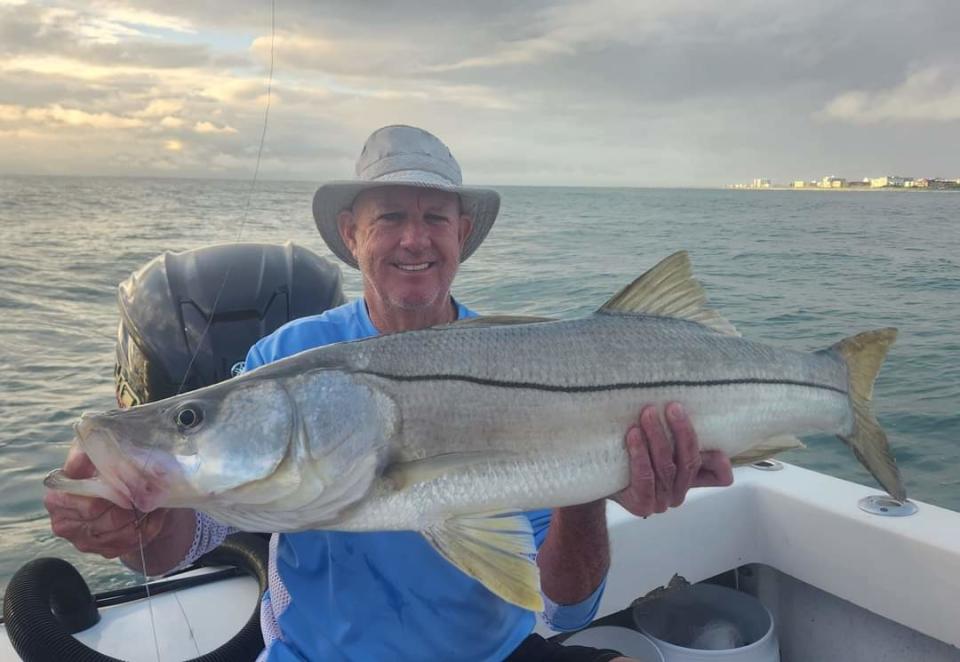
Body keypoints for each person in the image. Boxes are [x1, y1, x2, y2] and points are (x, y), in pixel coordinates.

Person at [45, 125, 734, 661]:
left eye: (436, 218)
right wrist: (137, 524)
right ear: (351, 235)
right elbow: (198, 530)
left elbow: (566, 610)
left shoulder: (523, 358)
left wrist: (587, 484)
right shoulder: (285, 357)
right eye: (390, 217)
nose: (414, 239)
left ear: (463, 235)